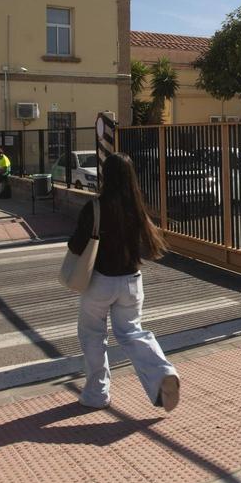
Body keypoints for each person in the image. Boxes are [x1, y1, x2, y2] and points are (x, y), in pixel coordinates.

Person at [67, 152, 180, 412]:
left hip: (99, 282)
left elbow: (76, 245)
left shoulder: (95, 207)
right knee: (132, 333)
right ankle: (163, 372)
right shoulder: (137, 209)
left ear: (105, 176)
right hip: (132, 282)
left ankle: (97, 394)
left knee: (93, 336)